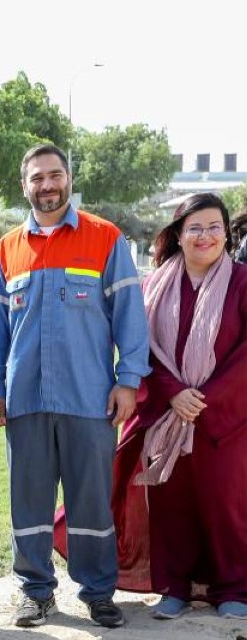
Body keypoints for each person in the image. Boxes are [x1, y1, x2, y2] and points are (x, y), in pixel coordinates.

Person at [0, 143, 150, 631]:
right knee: (28, 503)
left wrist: (129, 381)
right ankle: (35, 593)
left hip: (90, 398)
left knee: (91, 503)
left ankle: (98, 592)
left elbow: (130, 319)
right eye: (37, 178)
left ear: (69, 179)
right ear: (25, 186)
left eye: (54, 175)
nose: (47, 185)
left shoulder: (105, 238)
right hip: (25, 400)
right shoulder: (7, 248)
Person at [117, 194, 247, 618]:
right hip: (167, 413)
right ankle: (174, 586)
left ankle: (233, 590)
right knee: (170, 502)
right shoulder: (152, 286)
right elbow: (140, 348)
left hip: (226, 418)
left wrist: (205, 397)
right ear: (178, 234)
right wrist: (173, 390)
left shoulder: (243, 282)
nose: (205, 235)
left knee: (226, 504)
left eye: (213, 226)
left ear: (226, 232)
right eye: (194, 227)